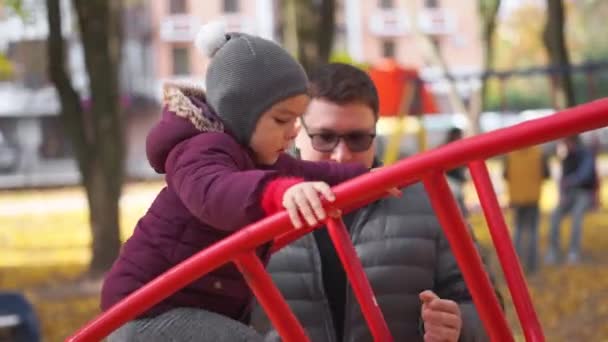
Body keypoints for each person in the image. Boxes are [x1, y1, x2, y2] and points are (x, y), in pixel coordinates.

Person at [101, 25, 372, 342]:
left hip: (191, 311)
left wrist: (370, 181)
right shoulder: (199, 152)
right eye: (281, 120)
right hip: (145, 313)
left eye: (297, 119)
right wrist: (281, 193)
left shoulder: (256, 156)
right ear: (241, 114)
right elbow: (218, 194)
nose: (293, 132)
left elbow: (310, 173)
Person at [251, 63, 494, 342]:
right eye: (324, 138)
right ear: (297, 132)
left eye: (357, 139)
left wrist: (458, 325)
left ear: (375, 134)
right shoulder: (254, 206)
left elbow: (485, 306)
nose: (341, 156)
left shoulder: (429, 203)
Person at [545, 135, 597, 265]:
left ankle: (574, 252)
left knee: (576, 216)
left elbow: (584, 174)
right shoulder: (566, 158)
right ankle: (553, 251)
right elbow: (562, 179)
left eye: (566, 142)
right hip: (569, 194)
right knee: (554, 216)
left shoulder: (585, 154)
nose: (564, 145)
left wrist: (570, 181)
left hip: (583, 193)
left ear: (572, 141)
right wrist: (562, 194)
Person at [504, 145, 550, 274]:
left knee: (517, 231)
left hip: (516, 198)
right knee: (532, 232)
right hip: (533, 198)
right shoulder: (539, 154)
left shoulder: (510, 155)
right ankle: (532, 265)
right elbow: (546, 174)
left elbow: (505, 175)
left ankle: (514, 266)